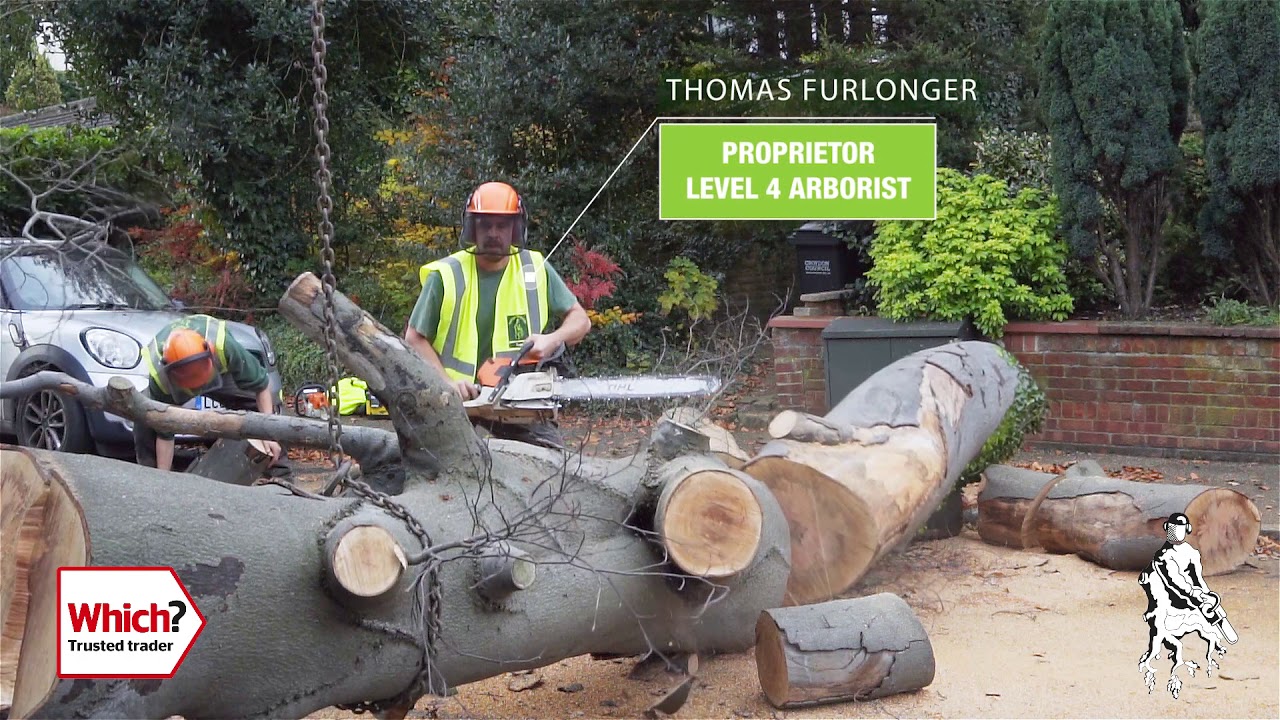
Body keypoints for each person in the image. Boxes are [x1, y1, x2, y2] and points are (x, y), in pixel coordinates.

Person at [404, 181, 591, 449]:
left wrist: (552, 339)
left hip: (517, 398)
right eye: (485, 225)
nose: (493, 233)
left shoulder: (534, 268)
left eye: (502, 225)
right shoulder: (446, 275)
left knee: (552, 459)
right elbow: (414, 338)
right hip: (458, 398)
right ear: (472, 228)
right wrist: (447, 383)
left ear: (515, 228)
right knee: (435, 461)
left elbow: (580, 320)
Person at [136, 314, 282, 471]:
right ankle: (150, 475)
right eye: (193, 381)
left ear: (210, 351)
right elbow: (165, 431)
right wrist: (162, 476)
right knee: (146, 417)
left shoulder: (225, 346)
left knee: (259, 406)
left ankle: (279, 473)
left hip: (222, 374)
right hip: (178, 383)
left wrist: (267, 434)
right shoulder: (160, 379)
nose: (199, 386)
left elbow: (261, 385)